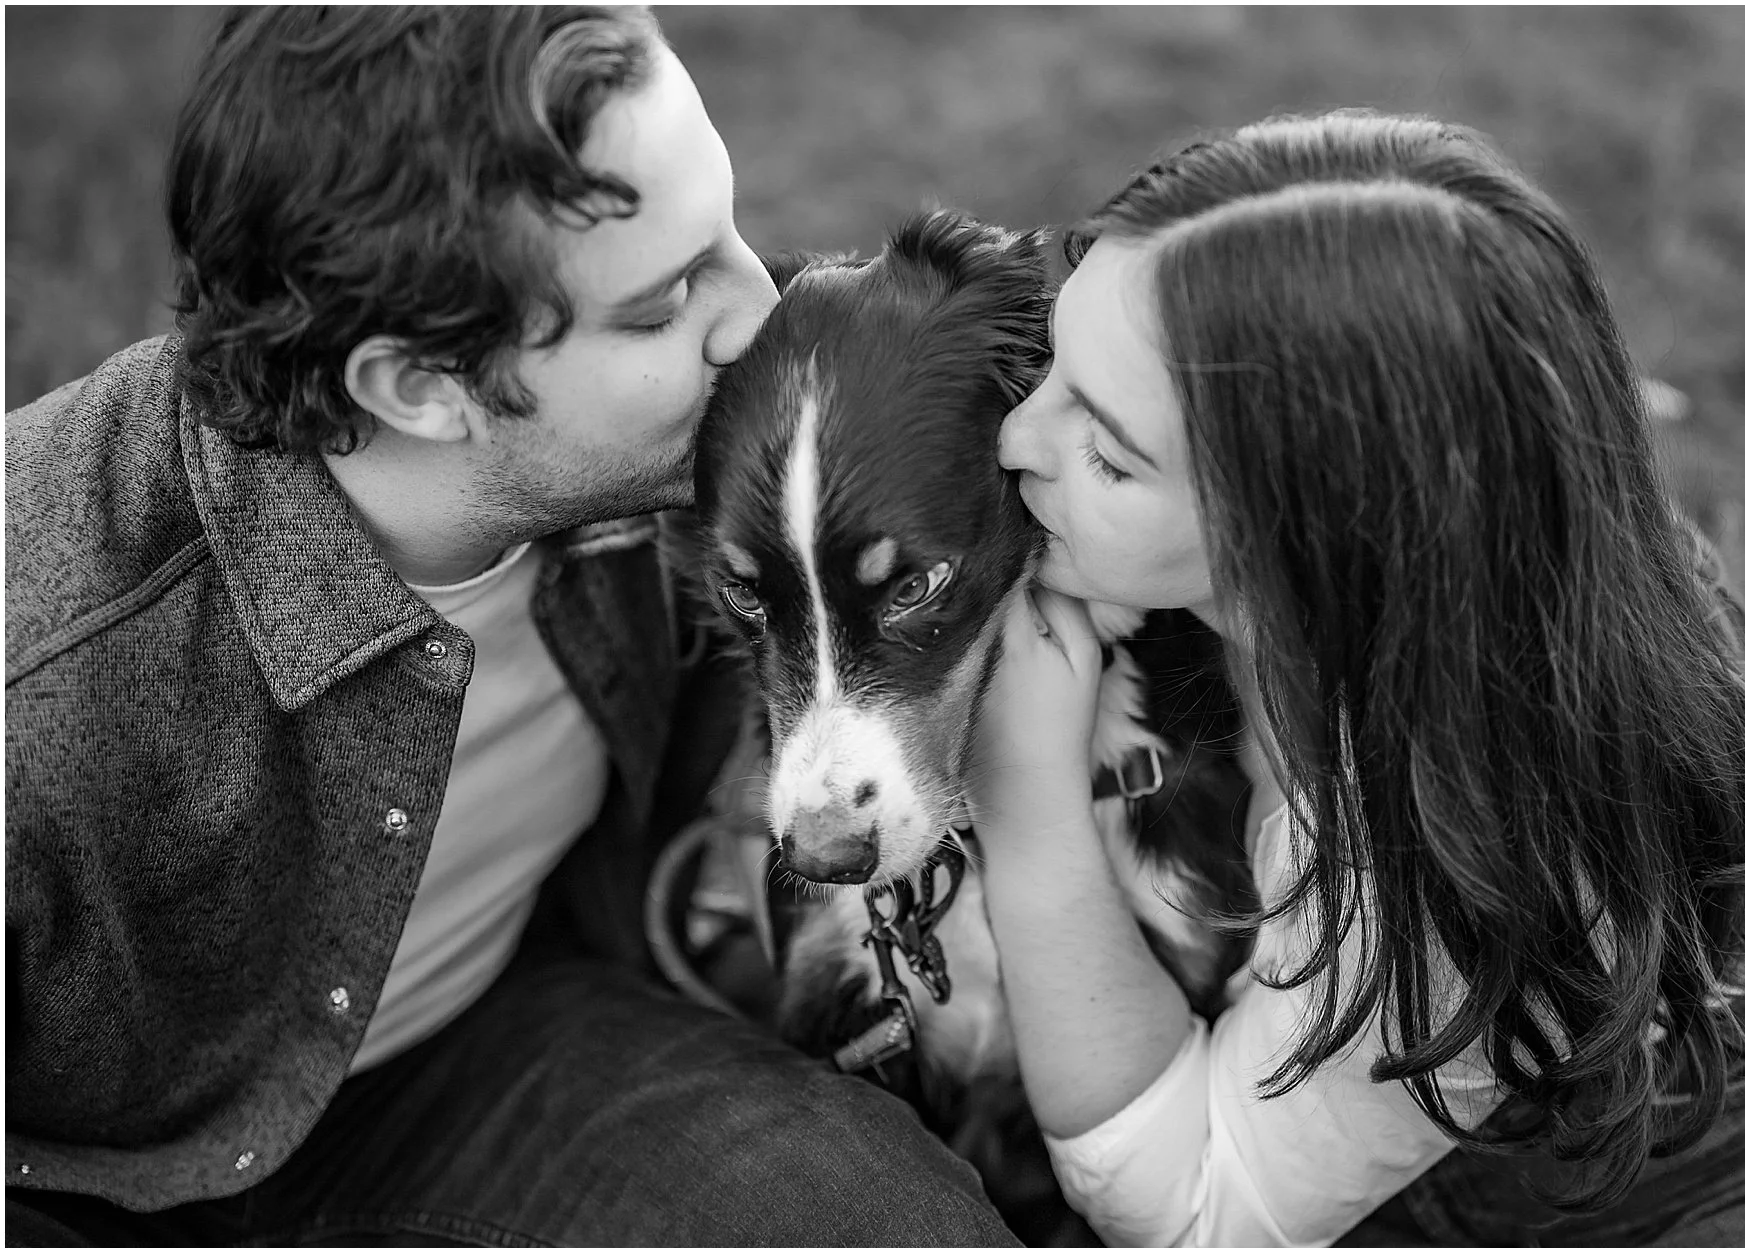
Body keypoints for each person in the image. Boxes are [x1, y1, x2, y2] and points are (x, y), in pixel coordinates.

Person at [6, 8, 1016, 1245]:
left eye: (727, 232)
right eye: (661, 304)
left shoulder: (670, 473)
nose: (757, 314)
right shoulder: (45, 672)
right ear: (423, 386)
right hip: (85, 1184)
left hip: (483, 1050)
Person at [973, 111, 1745, 1246]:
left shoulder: (1481, 818)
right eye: (1053, 360)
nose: (1012, 437)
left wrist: (1028, 807)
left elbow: (1194, 1212)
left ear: (1306, 543)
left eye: (1108, 450)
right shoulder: (1402, 582)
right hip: (1484, 1127)